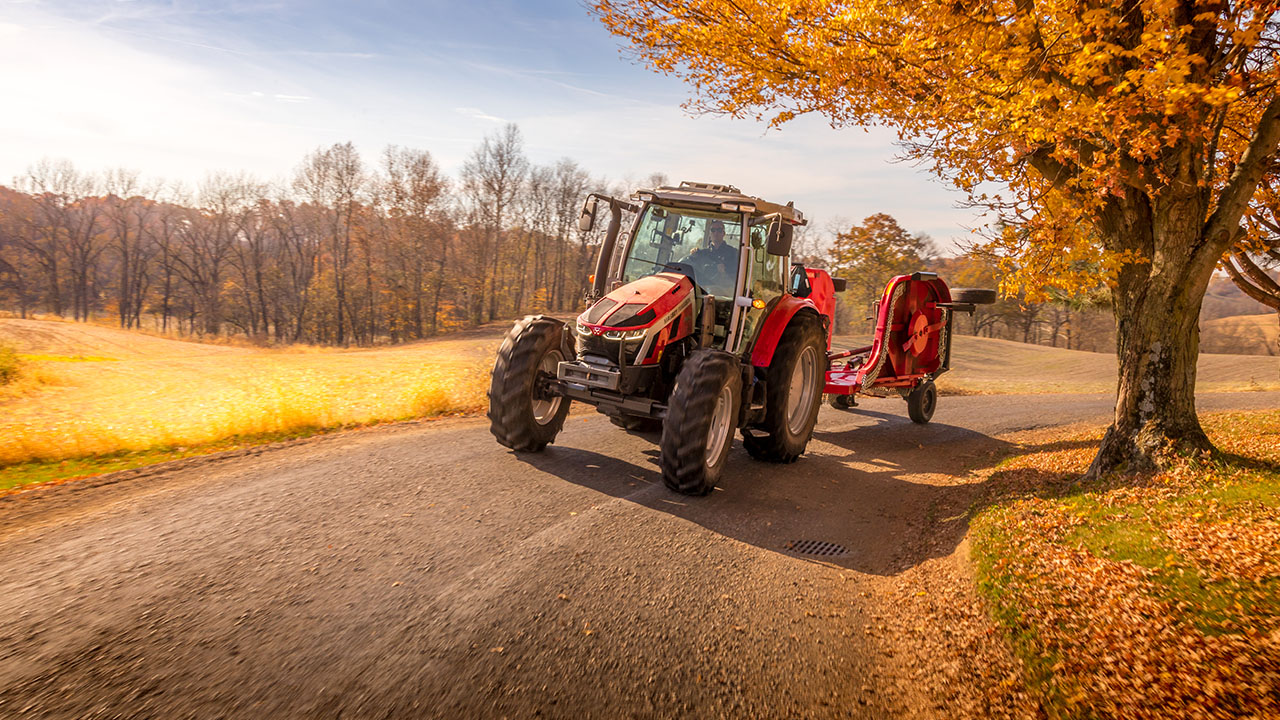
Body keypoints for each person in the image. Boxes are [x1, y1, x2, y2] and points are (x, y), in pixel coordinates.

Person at [686, 219, 738, 287]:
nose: (716, 233)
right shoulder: (701, 254)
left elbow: (736, 276)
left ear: (723, 233)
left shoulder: (733, 253)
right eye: (713, 230)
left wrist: (724, 272)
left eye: (719, 230)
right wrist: (693, 254)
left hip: (726, 294)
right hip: (703, 292)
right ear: (710, 233)